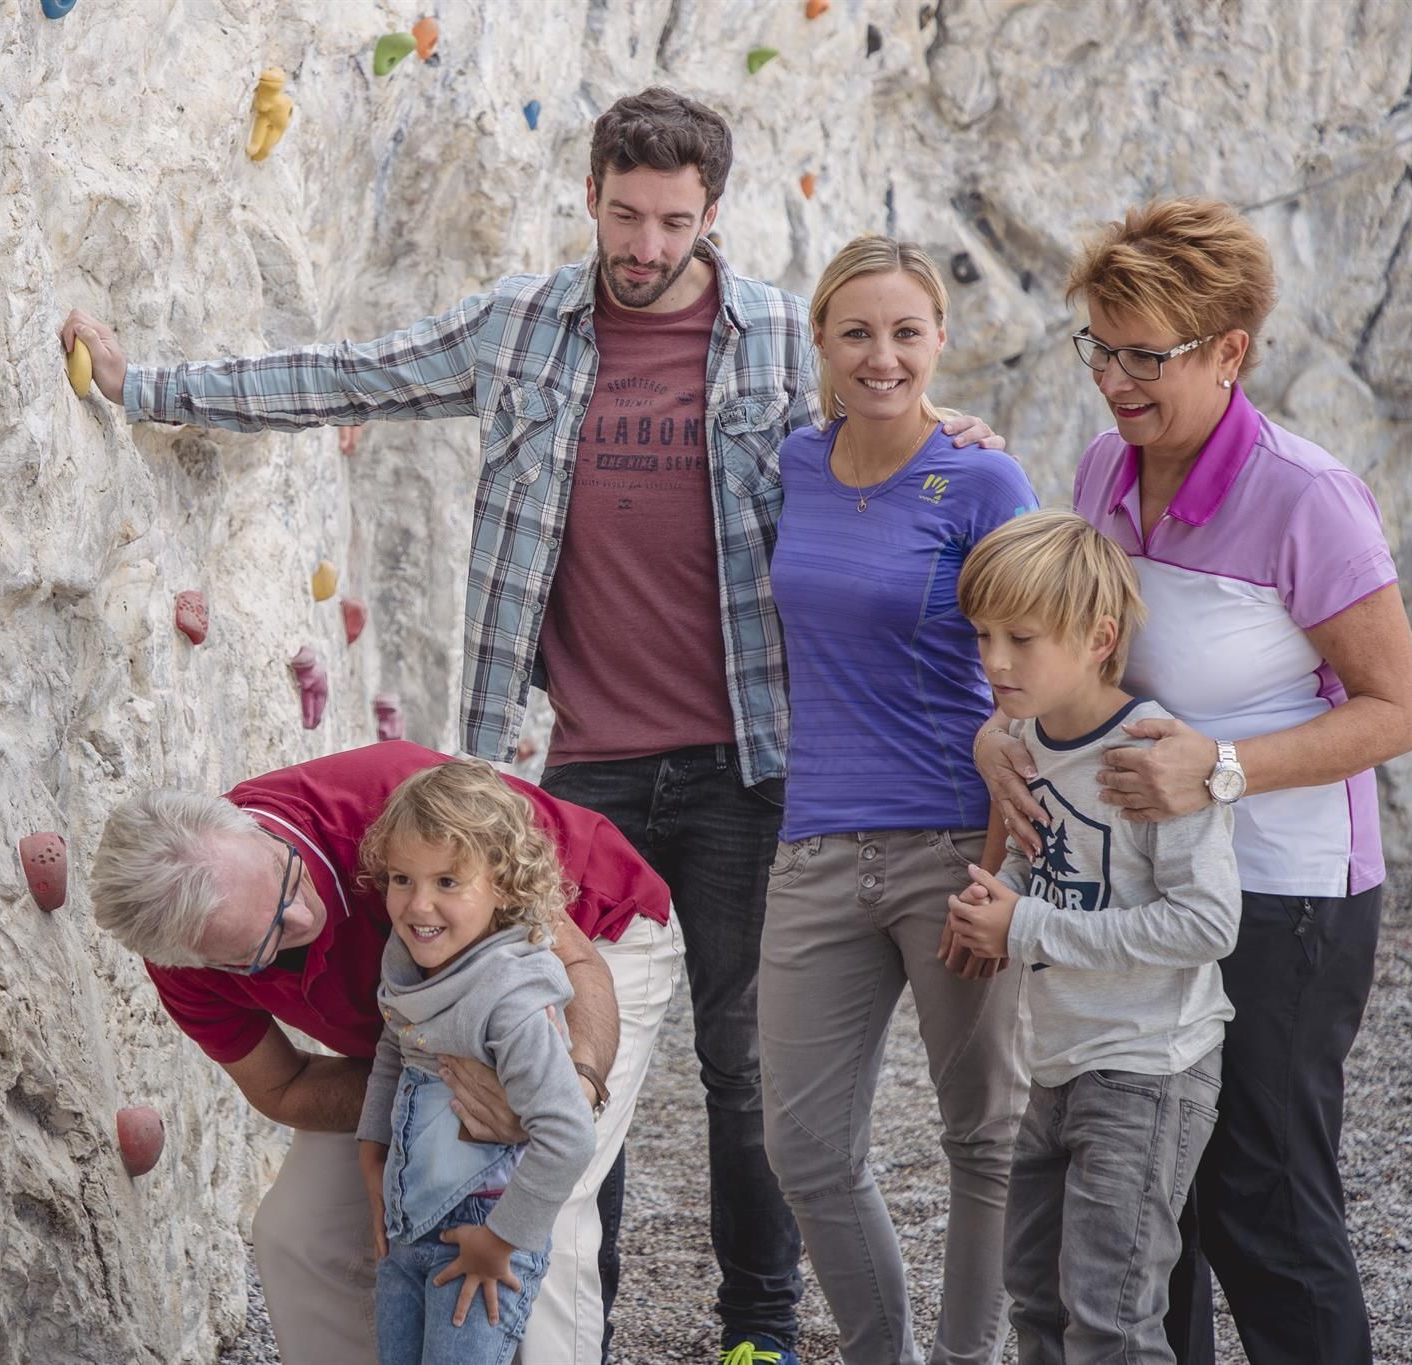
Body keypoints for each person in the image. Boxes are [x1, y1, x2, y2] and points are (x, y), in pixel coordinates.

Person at [62, 87, 1004, 1364]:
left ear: (711, 214)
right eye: (624, 215)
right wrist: (151, 386)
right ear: (589, 197)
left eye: (672, 221)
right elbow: (350, 374)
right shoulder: (519, 327)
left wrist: (943, 433)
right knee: (549, 1044)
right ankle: (578, 1325)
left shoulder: (784, 339)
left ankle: (758, 1330)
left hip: (748, 757)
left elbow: (876, 434)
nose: (645, 245)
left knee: (741, 1062)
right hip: (577, 765)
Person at [973, 198, 1412, 1365]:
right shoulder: (1100, 467)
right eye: (1098, 348)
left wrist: (1218, 770)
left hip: (1282, 896)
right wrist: (999, 734)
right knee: (1137, 1219)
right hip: (1134, 887)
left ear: (1229, 351)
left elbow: (1397, 712)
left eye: (1145, 356)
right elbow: (1077, 652)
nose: (1112, 381)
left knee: (1259, 1210)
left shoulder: (1307, 497)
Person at [87, 740, 680, 1365]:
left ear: (251, 828)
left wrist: (565, 1093)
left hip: (595, 934)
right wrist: (393, 1133)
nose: (302, 917)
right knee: (298, 1232)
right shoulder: (183, 962)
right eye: (267, 942)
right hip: (422, 1043)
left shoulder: (396, 813)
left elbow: (577, 961)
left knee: (536, 1218)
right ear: (200, 960)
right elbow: (284, 1087)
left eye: (286, 878)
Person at [752, 233, 1034, 1365]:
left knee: (986, 1137)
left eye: (906, 332)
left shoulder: (984, 479)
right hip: (816, 846)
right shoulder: (794, 463)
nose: (883, 356)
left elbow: (1032, 678)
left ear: (940, 339)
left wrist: (997, 872)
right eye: (857, 333)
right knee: (806, 1148)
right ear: (819, 342)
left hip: (953, 842)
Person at [943, 509, 1239, 1364]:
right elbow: (1047, 862)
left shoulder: (1154, 752)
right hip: (1055, 1064)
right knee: (1037, 1298)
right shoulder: (1025, 741)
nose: (995, 662)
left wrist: (1026, 924)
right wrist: (1001, 897)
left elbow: (1208, 922)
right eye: (984, 636)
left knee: (1111, 1316)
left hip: (1149, 1067)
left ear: (1099, 637)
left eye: (1021, 639)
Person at [357, 759, 597, 1365]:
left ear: (505, 886)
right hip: (407, 1230)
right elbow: (393, 1047)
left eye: (447, 882)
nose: (419, 905)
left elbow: (568, 1135)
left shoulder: (511, 998)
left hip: (484, 1234)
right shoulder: (413, 967)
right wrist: (372, 1151)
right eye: (402, 878)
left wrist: (502, 1240)